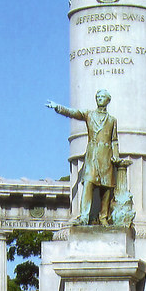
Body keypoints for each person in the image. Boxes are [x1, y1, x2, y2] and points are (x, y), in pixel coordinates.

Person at [46, 90, 121, 225]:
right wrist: (58, 107)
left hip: (106, 156)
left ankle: (103, 217)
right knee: (88, 183)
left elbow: (114, 140)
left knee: (106, 188)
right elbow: (73, 113)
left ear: (108, 100)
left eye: (102, 97)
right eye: (97, 96)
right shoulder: (89, 114)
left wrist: (115, 156)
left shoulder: (112, 120)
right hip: (92, 154)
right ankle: (84, 216)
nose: (99, 99)